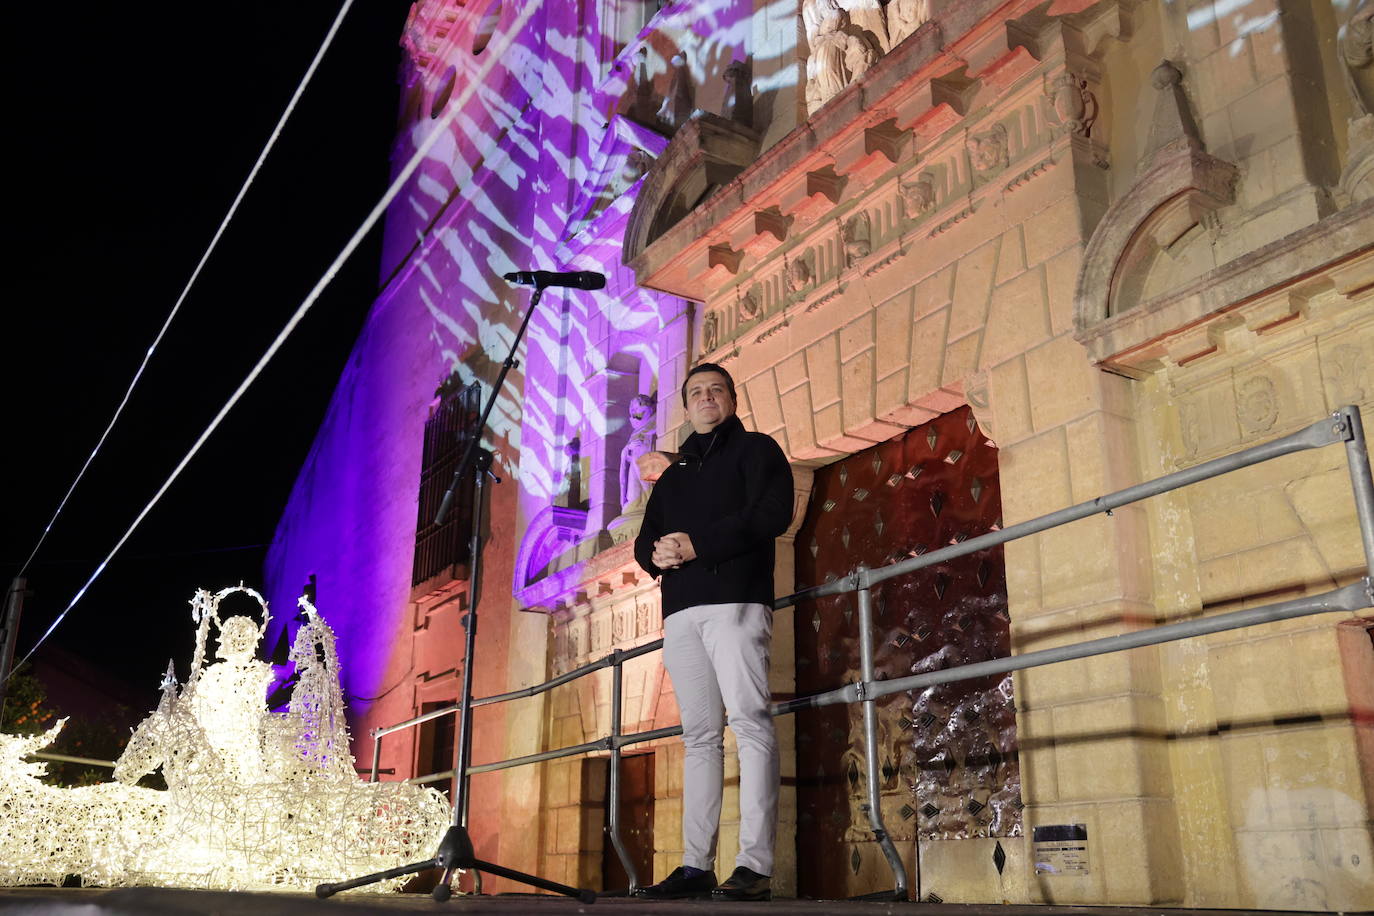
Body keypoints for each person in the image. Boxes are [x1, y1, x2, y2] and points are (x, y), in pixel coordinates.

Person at [633, 362, 793, 901]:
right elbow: (646, 538)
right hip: (680, 611)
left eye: (715, 390)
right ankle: (696, 866)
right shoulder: (674, 474)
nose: (706, 398)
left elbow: (774, 512)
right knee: (698, 737)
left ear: (731, 398)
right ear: (687, 406)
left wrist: (700, 544)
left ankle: (754, 865)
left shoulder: (758, 451)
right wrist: (655, 554)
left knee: (748, 721)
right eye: (696, 392)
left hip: (736, 600)